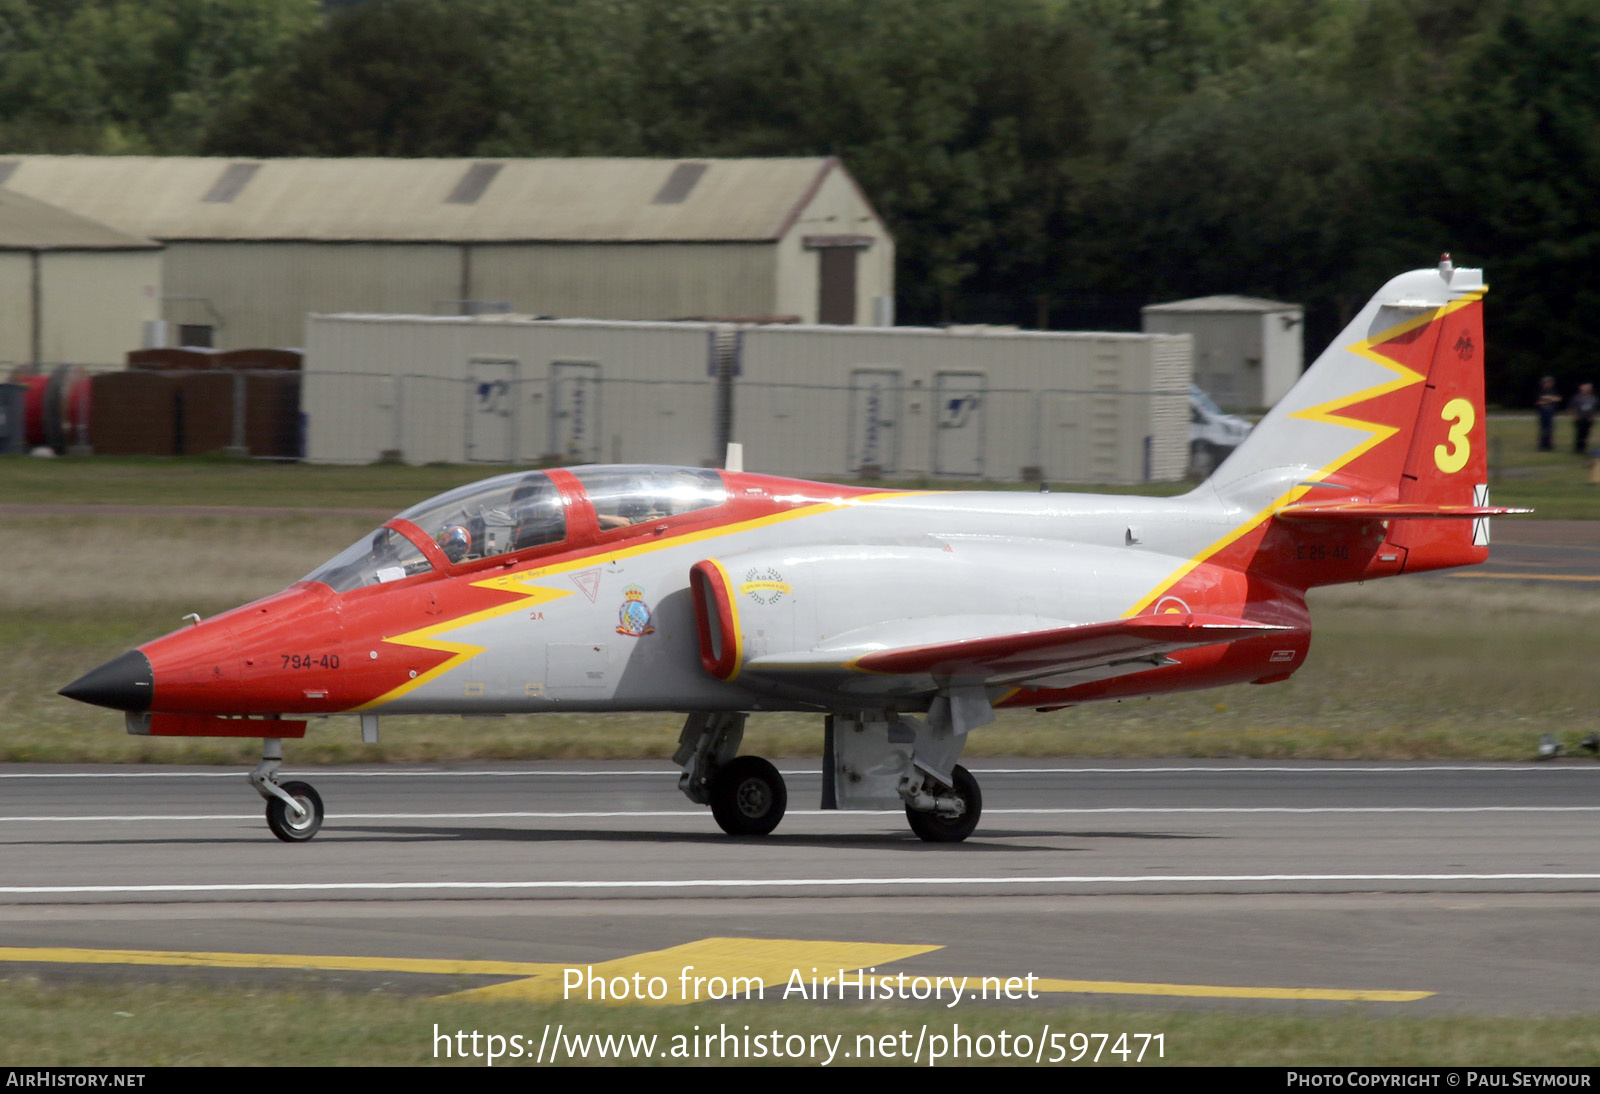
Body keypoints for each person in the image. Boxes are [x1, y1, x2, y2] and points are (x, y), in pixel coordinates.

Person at [1536, 376, 1562, 451]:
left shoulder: (1553, 391)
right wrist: (1551, 399)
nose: (1549, 384)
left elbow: (1558, 399)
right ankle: (1542, 445)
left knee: (1550, 429)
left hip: (1551, 413)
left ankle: (1549, 445)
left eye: (1550, 382)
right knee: (1543, 429)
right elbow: (1538, 402)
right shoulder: (1540, 391)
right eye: (1547, 382)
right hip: (1543, 413)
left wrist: (1546, 398)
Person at [1573, 382, 1598, 455]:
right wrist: (1576, 416)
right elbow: (1573, 408)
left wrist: (1593, 417)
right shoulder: (1577, 397)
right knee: (1579, 434)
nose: (1588, 390)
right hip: (1580, 419)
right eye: (1586, 388)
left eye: (1589, 388)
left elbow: (1595, 409)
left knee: (1586, 434)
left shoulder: (1593, 398)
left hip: (1588, 419)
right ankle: (1578, 449)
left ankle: (1583, 448)